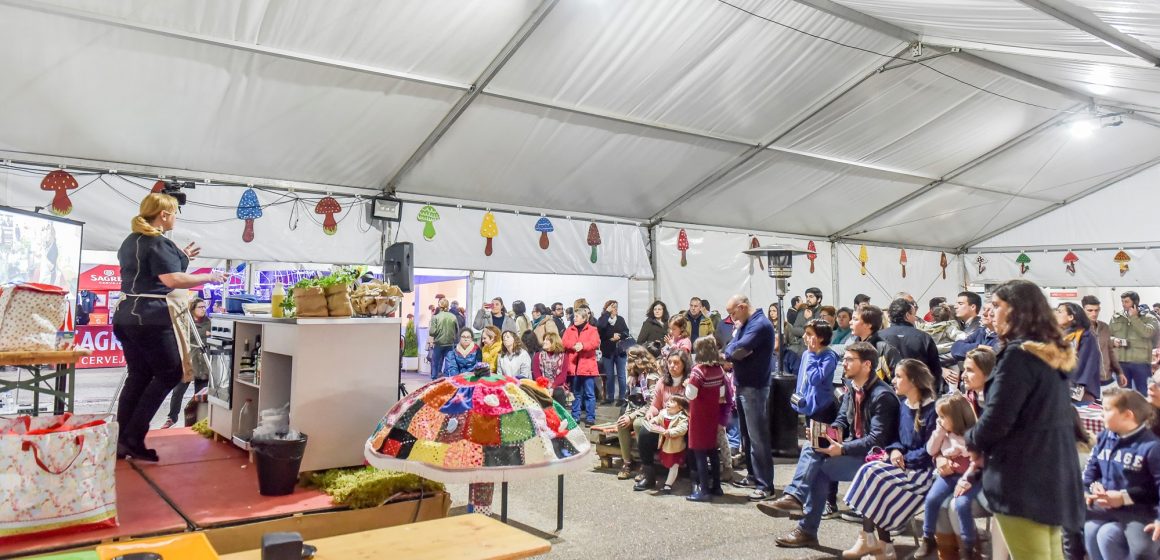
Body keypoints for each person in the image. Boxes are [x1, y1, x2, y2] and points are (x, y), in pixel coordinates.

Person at [965, 279, 1085, 558]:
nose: (990, 312)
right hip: (1050, 471)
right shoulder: (1047, 353)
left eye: (996, 306)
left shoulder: (1019, 356)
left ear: (1017, 311)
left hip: (1023, 476)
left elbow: (998, 419)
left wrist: (972, 439)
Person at [114, 193, 226, 461]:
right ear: (164, 214)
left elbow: (155, 271)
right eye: (174, 212)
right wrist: (209, 276)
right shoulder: (158, 242)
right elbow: (172, 279)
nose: (175, 216)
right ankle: (133, 436)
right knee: (170, 373)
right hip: (151, 318)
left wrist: (182, 255)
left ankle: (121, 440)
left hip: (126, 316)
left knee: (139, 374)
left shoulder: (131, 242)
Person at [769, 342, 901, 548]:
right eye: (844, 359)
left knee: (816, 462)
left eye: (849, 360)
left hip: (877, 459)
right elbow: (841, 420)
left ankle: (798, 505)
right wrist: (828, 434)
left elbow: (877, 440)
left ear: (866, 365)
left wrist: (842, 449)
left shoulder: (882, 396)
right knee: (813, 450)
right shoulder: (852, 388)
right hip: (857, 450)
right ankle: (801, 516)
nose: (844, 364)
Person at [842, 359, 938, 559]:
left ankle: (875, 542)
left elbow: (929, 450)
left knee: (877, 480)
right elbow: (895, 438)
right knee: (870, 471)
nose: (894, 380)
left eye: (899, 376)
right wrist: (895, 451)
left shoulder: (933, 410)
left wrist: (904, 457)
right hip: (903, 464)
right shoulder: (903, 405)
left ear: (913, 381)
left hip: (922, 472)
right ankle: (877, 542)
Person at [1082, 388, 1160, 560]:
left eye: (1107, 410)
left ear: (1127, 415)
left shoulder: (1152, 446)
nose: (1101, 414)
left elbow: (1155, 489)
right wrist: (1089, 489)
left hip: (1138, 509)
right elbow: (1090, 472)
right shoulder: (1105, 437)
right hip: (1104, 505)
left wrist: (1123, 497)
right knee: (1078, 524)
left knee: (1141, 551)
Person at [724, 295, 776, 501]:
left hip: (755, 387)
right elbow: (734, 345)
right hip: (744, 385)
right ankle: (754, 476)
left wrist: (732, 351)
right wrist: (734, 349)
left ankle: (766, 486)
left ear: (743, 307)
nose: (731, 317)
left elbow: (736, 349)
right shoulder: (748, 323)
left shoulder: (760, 325)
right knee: (747, 436)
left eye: (732, 313)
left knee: (758, 438)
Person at [634, 350, 692, 492]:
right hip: (664, 421)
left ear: (684, 365)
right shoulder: (662, 382)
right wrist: (650, 413)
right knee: (644, 432)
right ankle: (648, 476)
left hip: (683, 424)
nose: (672, 366)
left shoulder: (689, 382)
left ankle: (695, 477)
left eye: (676, 363)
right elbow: (655, 404)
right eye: (670, 362)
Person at [685, 337, 732, 502]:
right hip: (713, 415)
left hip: (698, 416)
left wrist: (686, 385)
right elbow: (721, 396)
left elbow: (691, 394)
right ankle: (716, 486)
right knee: (712, 451)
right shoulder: (719, 371)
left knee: (699, 453)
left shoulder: (698, 371)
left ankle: (703, 490)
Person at [162, 297, 210, 429]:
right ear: (193, 309)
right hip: (188, 363)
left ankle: (198, 420)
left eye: (204, 307)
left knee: (199, 395)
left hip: (203, 365)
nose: (203, 309)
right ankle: (172, 418)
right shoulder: (186, 323)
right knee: (178, 392)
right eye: (200, 307)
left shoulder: (209, 323)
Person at [615, 345, 662, 480]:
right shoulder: (633, 378)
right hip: (634, 410)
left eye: (630, 360)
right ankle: (627, 462)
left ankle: (645, 464)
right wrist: (626, 415)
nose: (628, 364)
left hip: (650, 413)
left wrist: (632, 416)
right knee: (621, 423)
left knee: (637, 424)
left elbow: (653, 402)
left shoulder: (651, 376)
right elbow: (630, 399)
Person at [880, 297, 944, 393]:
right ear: (907, 315)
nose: (915, 318)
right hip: (917, 392)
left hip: (886, 392)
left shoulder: (878, 337)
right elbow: (935, 370)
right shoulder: (923, 337)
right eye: (914, 315)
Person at [1110, 290, 1159, 394]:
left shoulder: (1149, 318)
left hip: (1141, 362)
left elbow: (1148, 333)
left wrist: (1134, 318)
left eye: (1126, 302)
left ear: (1135, 302)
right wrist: (1113, 340)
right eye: (1122, 301)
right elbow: (1107, 335)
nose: (1123, 304)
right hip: (1121, 362)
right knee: (1123, 395)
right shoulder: (1116, 317)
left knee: (1145, 393)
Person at [792, 320, 839, 423]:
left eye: (809, 334)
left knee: (820, 438)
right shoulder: (806, 354)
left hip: (822, 408)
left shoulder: (828, 356)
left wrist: (812, 354)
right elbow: (802, 379)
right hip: (808, 406)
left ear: (821, 338)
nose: (804, 336)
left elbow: (814, 379)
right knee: (811, 438)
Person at [1057, 302, 1103, 404]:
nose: (1056, 314)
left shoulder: (1085, 336)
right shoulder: (1060, 336)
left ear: (1070, 317)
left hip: (1079, 390)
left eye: (1060, 312)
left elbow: (1086, 365)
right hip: (1062, 388)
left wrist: (1074, 388)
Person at [563, 306, 600, 426]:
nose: (575, 319)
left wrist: (583, 346)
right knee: (576, 393)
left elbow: (595, 343)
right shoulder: (570, 330)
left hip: (587, 366)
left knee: (589, 393)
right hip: (573, 366)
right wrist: (574, 345)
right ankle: (575, 416)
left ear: (585, 318)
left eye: (577, 317)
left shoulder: (593, 330)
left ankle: (590, 417)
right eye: (574, 317)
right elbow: (564, 342)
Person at [646, 394, 690, 495]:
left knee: (674, 465)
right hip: (665, 445)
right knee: (667, 461)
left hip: (676, 447)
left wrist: (670, 432)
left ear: (680, 407)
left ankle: (668, 485)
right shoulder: (664, 413)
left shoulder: (682, 417)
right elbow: (658, 419)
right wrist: (653, 421)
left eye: (672, 402)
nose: (668, 403)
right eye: (668, 401)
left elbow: (682, 429)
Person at [1083, 296, 1127, 391]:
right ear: (1083, 310)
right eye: (1090, 310)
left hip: (1108, 378)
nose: (1094, 313)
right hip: (1088, 382)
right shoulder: (1079, 329)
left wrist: (1119, 372)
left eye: (1096, 310)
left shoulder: (1105, 327)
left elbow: (1110, 352)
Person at [597, 300, 631, 406]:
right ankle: (610, 397)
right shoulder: (603, 320)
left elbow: (626, 331)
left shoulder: (620, 319)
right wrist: (607, 314)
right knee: (609, 375)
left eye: (616, 307)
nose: (615, 309)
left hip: (620, 351)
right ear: (607, 308)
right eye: (612, 307)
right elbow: (600, 327)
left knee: (621, 375)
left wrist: (619, 336)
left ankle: (622, 398)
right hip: (607, 351)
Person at [787, 288, 824, 372]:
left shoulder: (823, 312)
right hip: (802, 350)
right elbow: (794, 329)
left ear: (819, 299)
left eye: (811, 296)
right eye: (807, 296)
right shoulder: (802, 312)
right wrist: (808, 332)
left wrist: (809, 319)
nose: (808, 299)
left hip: (817, 352)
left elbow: (818, 331)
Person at [531, 331, 570, 405]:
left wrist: (552, 387)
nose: (544, 342)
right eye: (544, 339)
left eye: (547, 340)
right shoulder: (538, 356)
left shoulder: (563, 357)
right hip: (542, 384)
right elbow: (537, 374)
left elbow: (562, 376)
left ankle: (560, 415)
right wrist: (546, 386)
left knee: (558, 393)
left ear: (553, 342)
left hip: (557, 385)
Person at [428, 298, 459, 380]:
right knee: (449, 362)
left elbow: (432, 332)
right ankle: (448, 379)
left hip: (439, 343)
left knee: (435, 362)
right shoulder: (453, 317)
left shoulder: (436, 317)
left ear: (439, 305)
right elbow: (457, 330)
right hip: (450, 343)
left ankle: (434, 379)